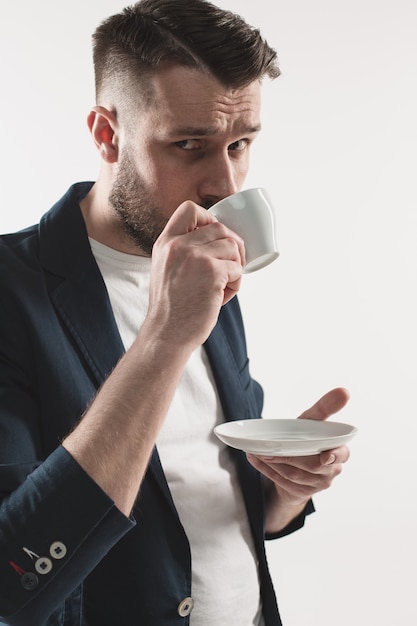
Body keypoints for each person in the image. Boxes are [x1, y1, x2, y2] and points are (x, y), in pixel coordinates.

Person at [0, 1, 351, 624]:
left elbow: (200, 497)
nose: (225, 183)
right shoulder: (10, 289)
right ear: (107, 134)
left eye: (240, 144)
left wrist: (282, 493)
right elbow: (14, 575)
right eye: (190, 144)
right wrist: (164, 337)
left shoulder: (210, 263)